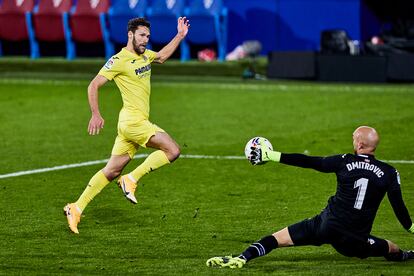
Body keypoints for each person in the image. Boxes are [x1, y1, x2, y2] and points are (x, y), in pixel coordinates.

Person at [207, 126, 414, 268]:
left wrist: (272, 155)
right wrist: (411, 228)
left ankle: (242, 257)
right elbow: (400, 208)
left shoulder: (344, 161)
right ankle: (407, 255)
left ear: (359, 145)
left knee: (277, 239)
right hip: (355, 239)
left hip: (326, 225)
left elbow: (310, 162)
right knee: (391, 247)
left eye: (353, 138)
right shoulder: (389, 172)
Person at [63, 17, 190, 234]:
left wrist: (179, 35)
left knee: (111, 171)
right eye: (142, 36)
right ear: (130, 35)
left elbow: (161, 56)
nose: (145, 40)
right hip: (133, 123)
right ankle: (131, 179)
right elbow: (93, 85)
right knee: (173, 150)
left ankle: (76, 207)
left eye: (148, 37)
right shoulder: (118, 60)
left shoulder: (144, 56)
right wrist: (95, 114)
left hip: (130, 126)